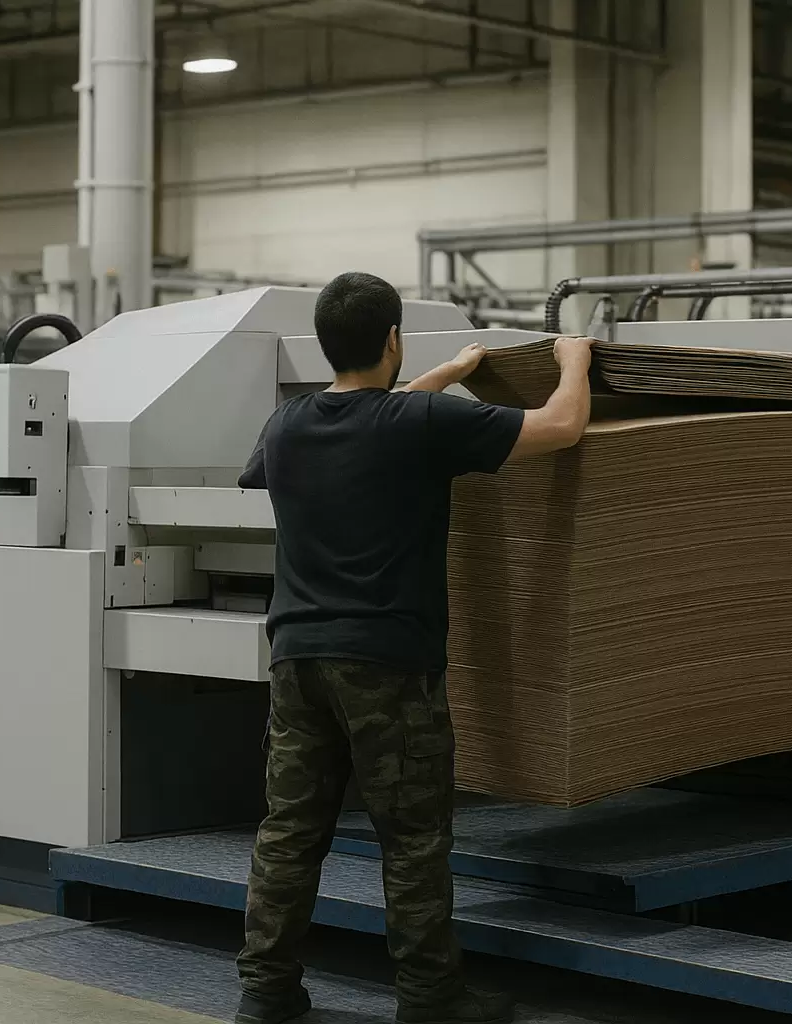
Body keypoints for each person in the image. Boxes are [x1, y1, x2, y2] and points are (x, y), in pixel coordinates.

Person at [234, 271, 594, 1024]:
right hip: (388, 666)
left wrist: (448, 375)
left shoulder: (286, 425)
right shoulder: (421, 425)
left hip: (297, 662)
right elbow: (561, 427)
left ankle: (266, 993)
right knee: (413, 838)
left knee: (290, 832)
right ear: (393, 339)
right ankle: (431, 996)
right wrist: (574, 359)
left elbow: (366, 422)